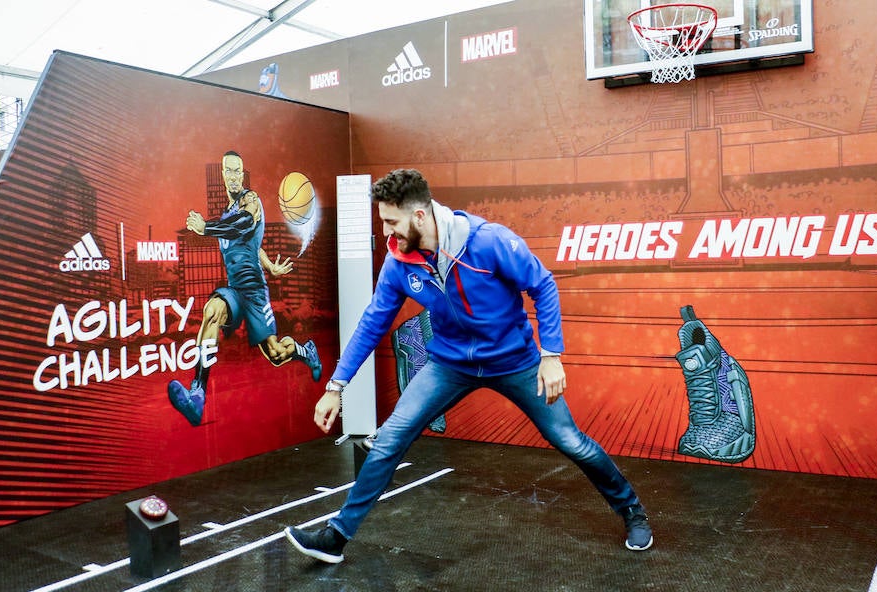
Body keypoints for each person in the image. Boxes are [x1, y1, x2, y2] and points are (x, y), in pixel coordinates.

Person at [284, 168, 653, 563]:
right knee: (390, 437)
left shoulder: (488, 241)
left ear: (420, 216)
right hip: (449, 363)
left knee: (569, 441)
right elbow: (373, 322)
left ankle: (631, 510)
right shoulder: (399, 262)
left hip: (515, 361)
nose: (387, 231)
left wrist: (551, 356)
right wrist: (336, 386)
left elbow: (542, 285)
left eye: (392, 221)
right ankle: (336, 538)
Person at [168, 151, 322, 426]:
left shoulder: (251, 201)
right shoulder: (227, 212)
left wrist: (206, 228)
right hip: (233, 290)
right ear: (223, 175)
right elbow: (253, 242)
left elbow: (245, 225)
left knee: (275, 355)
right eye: (229, 170)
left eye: (238, 170)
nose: (234, 175)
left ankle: (304, 351)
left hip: (253, 292)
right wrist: (269, 264)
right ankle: (197, 395)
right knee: (212, 310)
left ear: (243, 173)